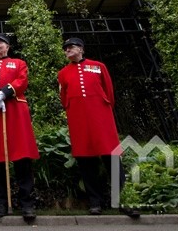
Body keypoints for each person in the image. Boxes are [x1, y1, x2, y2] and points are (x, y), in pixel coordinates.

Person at [57, 37, 139, 218]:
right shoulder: (62, 73)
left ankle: (123, 200)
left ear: (81, 49)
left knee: (112, 158)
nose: (67, 50)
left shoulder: (98, 66)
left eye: (70, 47)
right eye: (65, 49)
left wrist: (101, 107)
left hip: (101, 118)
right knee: (86, 161)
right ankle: (95, 202)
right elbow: (64, 97)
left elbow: (109, 91)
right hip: (78, 120)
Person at [0, 34, 39, 220]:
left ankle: (27, 203)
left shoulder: (19, 63)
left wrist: (4, 93)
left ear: (8, 47)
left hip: (16, 111)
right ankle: (1, 202)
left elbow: (22, 81)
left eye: (0, 43)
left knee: (22, 158)